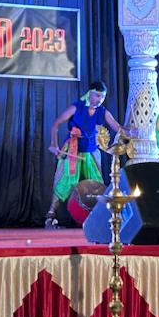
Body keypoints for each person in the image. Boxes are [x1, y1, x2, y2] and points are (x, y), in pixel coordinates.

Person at [45, 81, 122, 228]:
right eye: (97, 95)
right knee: (66, 182)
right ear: (89, 93)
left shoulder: (102, 111)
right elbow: (56, 124)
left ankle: (102, 220)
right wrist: (54, 144)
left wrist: (132, 132)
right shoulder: (77, 107)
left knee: (97, 185)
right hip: (73, 150)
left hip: (91, 151)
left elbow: (117, 127)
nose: (100, 100)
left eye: (103, 97)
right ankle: (50, 216)